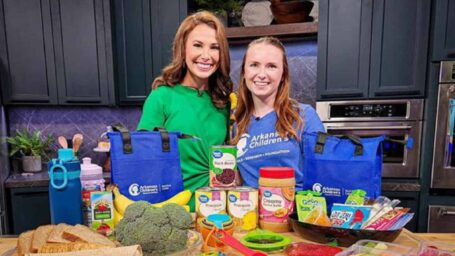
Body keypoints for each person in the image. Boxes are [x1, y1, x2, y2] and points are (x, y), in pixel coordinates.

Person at [137, 11, 232, 209]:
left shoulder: (223, 103)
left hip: (215, 210)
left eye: (214, 48)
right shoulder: (162, 97)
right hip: (173, 211)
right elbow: (143, 161)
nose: (206, 56)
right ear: (183, 49)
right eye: (198, 45)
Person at [231, 36, 325, 190]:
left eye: (271, 66)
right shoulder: (238, 124)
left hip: (295, 212)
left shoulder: (304, 116)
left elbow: (322, 176)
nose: (261, 74)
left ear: (283, 75)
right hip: (250, 212)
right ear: (244, 72)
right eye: (254, 65)